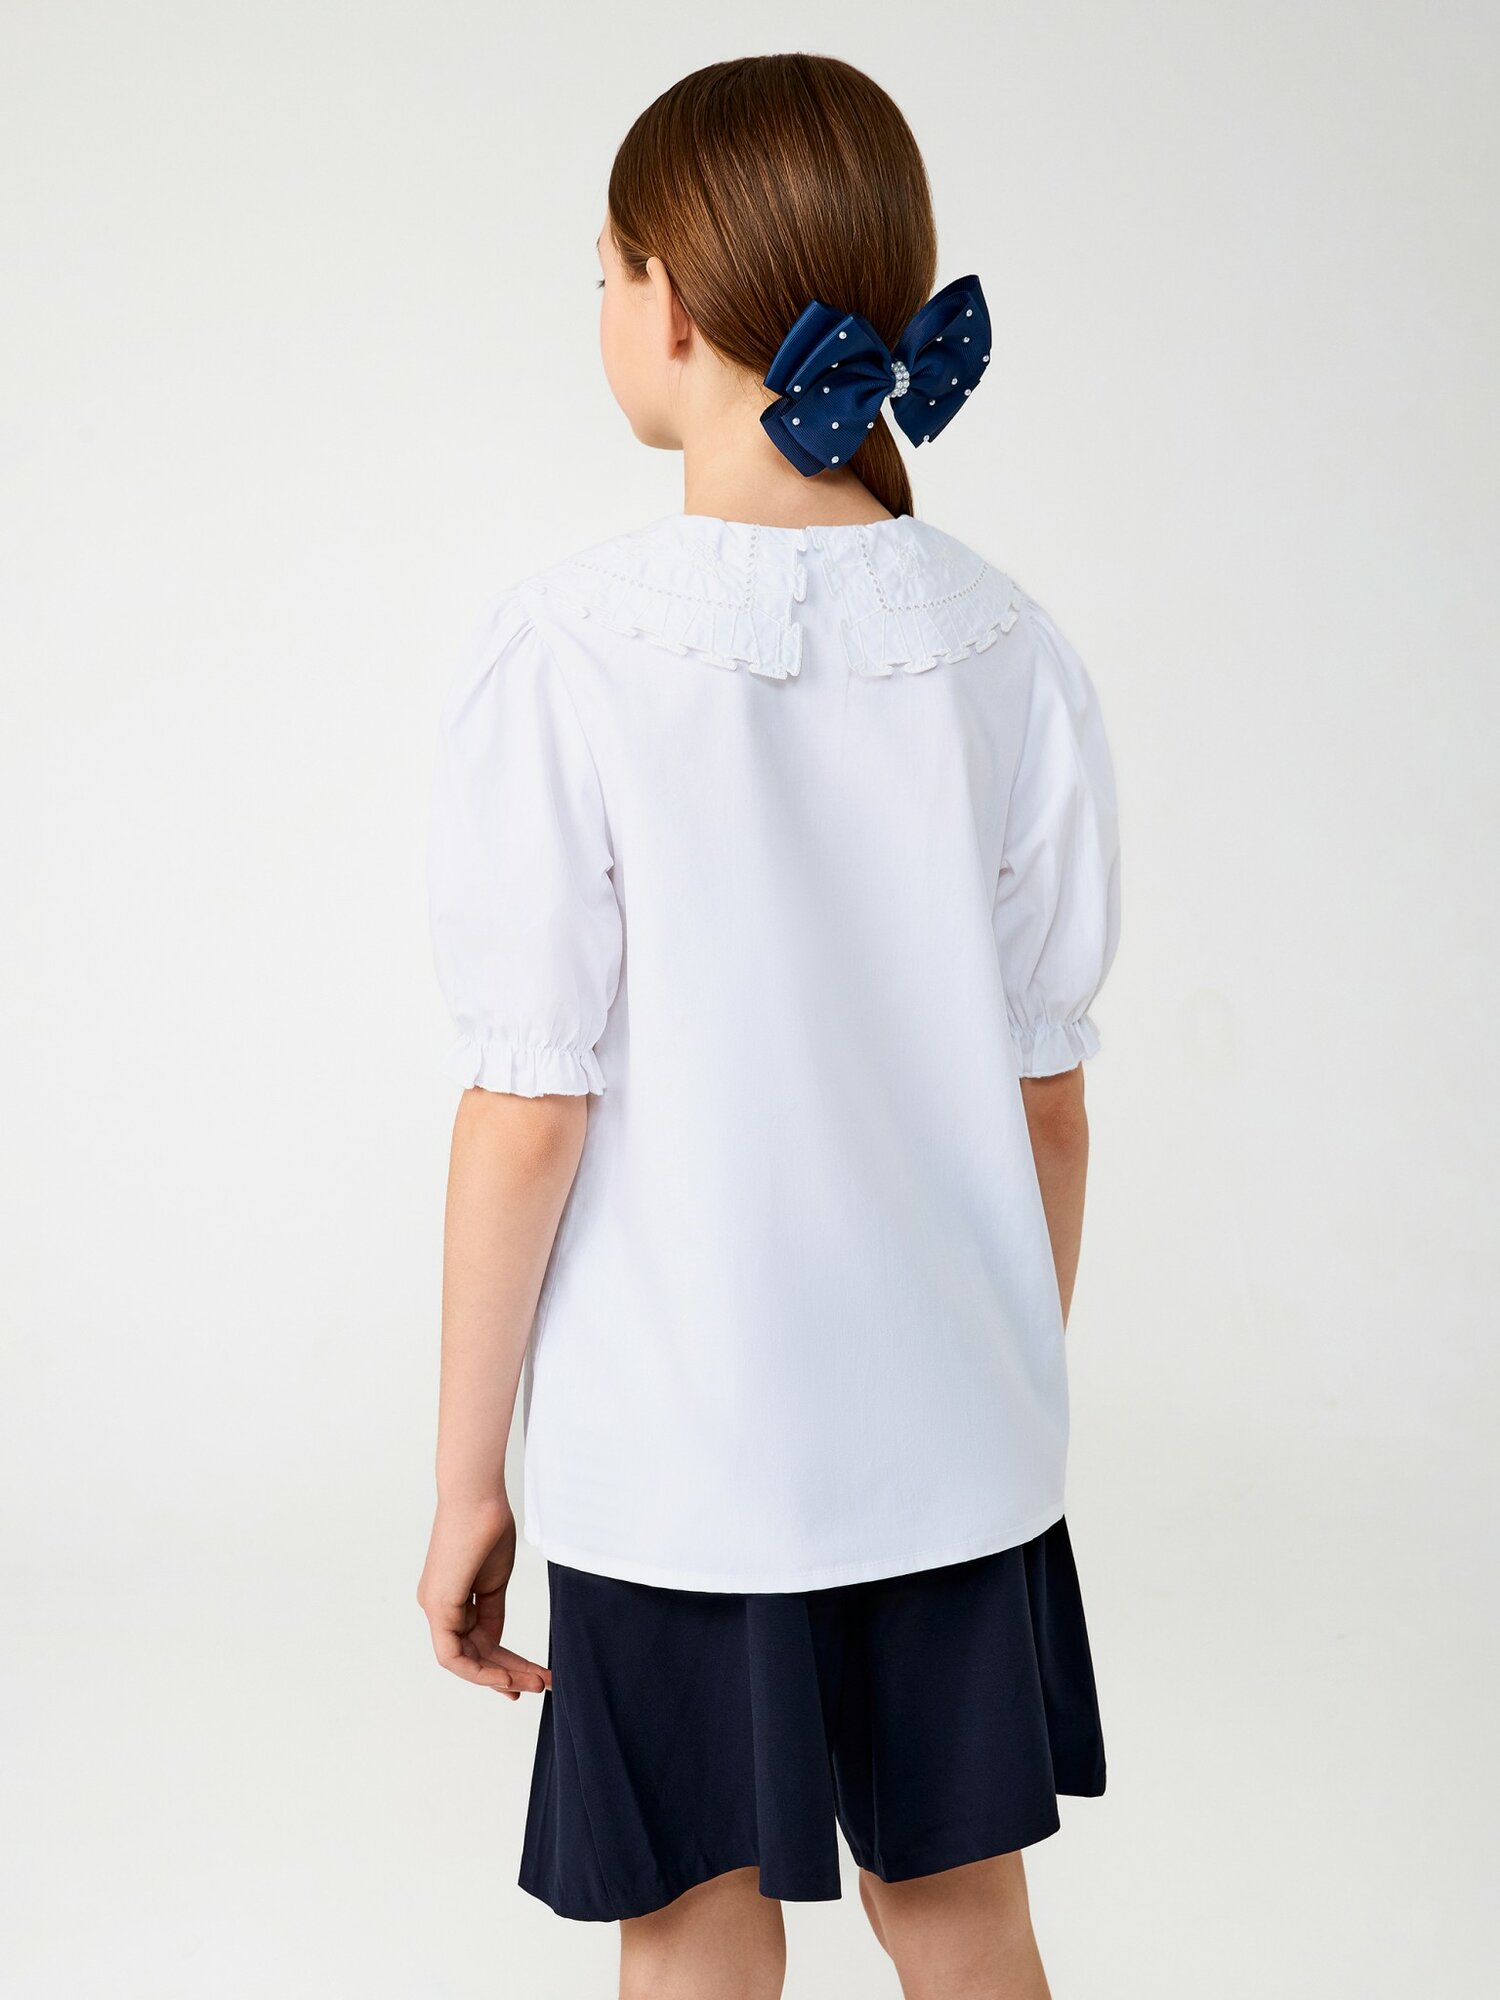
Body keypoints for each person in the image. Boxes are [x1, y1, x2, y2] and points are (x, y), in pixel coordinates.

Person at [417, 51, 1123, 2000]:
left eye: (603, 269)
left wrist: (472, 1483)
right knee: (965, 1913)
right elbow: (1049, 1102)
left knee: (694, 1924)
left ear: (671, 304)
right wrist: (991, 1388)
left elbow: (528, 1111)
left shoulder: (575, 648)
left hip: (683, 1443)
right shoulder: (1007, 647)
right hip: (952, 1438)